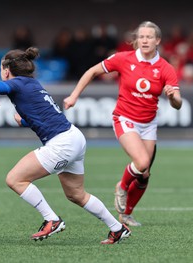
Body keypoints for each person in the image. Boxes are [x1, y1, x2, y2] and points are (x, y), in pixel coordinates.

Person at [0, 47, 131, 244]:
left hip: (62, 142)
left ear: (6, 70)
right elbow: (46, 116)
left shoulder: (16, 83)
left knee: (15, 179)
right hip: (73, 137)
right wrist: (25, 120)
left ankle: (51, 219)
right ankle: (117, 228)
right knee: (76, 194)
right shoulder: (32, 83)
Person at [63, 21, 183, 227]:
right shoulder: (123, 59)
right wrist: (74, 96)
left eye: (149, 37)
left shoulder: (165, 68)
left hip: (149, 123)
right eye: (141, 37)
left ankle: (126, 214)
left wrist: (173, 97)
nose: (145, 40)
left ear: (158, 41)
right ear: (137, 40)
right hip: (125, 119)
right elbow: (92, 72)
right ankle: (122, 186)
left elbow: (178, 104)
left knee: (144, 175)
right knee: (142, 163)